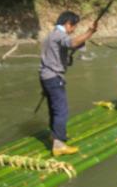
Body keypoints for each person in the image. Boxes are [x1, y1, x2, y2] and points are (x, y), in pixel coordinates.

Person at [39, 11, 97, 156]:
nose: (74, 30)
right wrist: (90, 31)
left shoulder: (51, 35)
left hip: (45, 76)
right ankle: (58, 143)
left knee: (53, 108)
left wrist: (88, 35)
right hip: (53, 77)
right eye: (74, 27)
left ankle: (54, 135)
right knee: (61, 110)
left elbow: (73, 45)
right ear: (68, 24)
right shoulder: (59, 35)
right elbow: (72, 43)